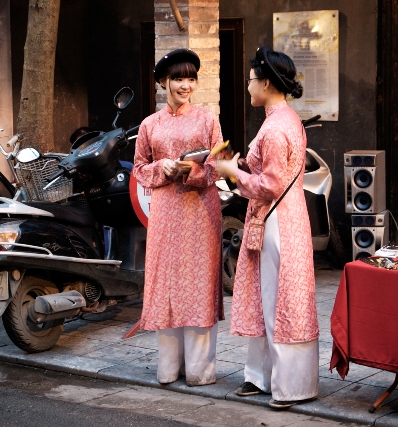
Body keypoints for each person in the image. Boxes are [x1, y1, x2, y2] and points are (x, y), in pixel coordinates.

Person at [215, 46, 319, 409]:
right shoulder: (285, 119)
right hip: (284, 217)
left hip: (275, 218)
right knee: (271, 298)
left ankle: (288, 386)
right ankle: (262, 377)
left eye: (250, 80)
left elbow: (270, 184)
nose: (247, 87)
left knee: (278, 301)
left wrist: (232, 172)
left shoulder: (275, 128)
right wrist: (239, 166)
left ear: (267, 83)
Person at [133, 48, 224, 386]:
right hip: (166, 212)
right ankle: (168, 369)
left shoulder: (207, 119)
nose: (186, 85)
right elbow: (140, 168)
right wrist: (162, 166)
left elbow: (217, 165)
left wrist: (192, 169)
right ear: (163, 82)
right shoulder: (149, 124)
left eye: (190, 79)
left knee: (199, 284)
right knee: (167, 284)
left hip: (201, 209)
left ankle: (200, 372)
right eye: (178, 79)